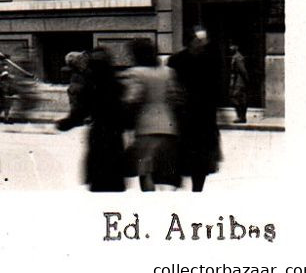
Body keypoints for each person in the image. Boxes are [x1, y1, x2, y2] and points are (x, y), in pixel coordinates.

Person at [55, 48, 129, 192]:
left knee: (99, 180)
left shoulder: (91, 86)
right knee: (115, 182)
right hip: (115, 137)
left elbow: (80, 112)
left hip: (98, 136)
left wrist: (64, 124)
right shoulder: (118, 85)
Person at [169, 28, 222, 192]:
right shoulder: (177, 60)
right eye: (199, 40)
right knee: (184, 156)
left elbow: (216, 87)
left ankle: (197, 189)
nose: (202, 43)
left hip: (204, 117)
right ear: (190, 41)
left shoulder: (209, 59)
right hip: (185, 116)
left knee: (201, 160)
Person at [124, 38, 180, 192]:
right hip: (168, 128)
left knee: (146, 171)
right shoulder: (168, 72)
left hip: (145, 129)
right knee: (165, 174)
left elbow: (133, 99)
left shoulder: (136, 73)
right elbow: (175, 97)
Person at [227, 45, 250, 125]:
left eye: (232, 46)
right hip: (236, 81)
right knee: (239, 98)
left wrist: (246, 81)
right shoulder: (235, 57)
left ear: (236, 47)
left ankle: (241, 117)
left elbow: (243, 71)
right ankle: (241, 117)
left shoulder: (238, 57)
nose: (230, 48)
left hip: (239, 81)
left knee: (236, 98)